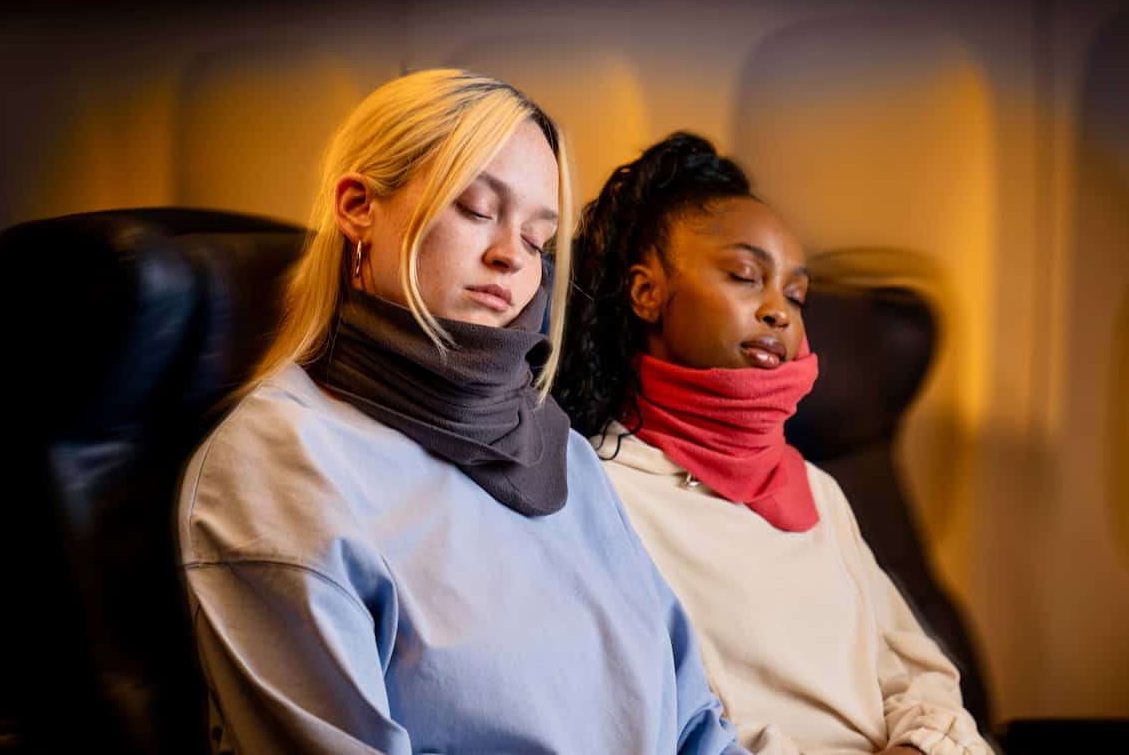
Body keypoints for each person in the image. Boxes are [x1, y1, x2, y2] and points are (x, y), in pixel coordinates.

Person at [177, 71, 747, 755]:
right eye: (478, 209)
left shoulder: (557, 448)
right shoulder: (277, 467)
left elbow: (694, 725)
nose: (512, 256)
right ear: (359, 207)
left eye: (539, 242)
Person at [555, 132, 991, 755]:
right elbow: (644, 720)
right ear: (646, 292)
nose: (778, 312)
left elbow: (915, 669)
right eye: (745, 276)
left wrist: (922, 745)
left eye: (794, 294)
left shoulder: (813, 486)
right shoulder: (598, 492)